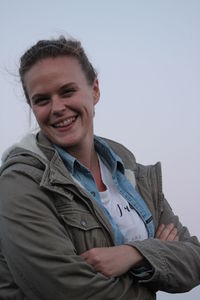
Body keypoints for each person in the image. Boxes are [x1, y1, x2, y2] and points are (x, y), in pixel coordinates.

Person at [0, 36, 199, 300]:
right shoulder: (20, 182)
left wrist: (135, 254)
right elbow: (68, 291)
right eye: (42, 100)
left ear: (95, 90)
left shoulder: (129, 171)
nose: (57, 108)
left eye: (67, 91)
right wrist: (157, 262)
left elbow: (194, 259)